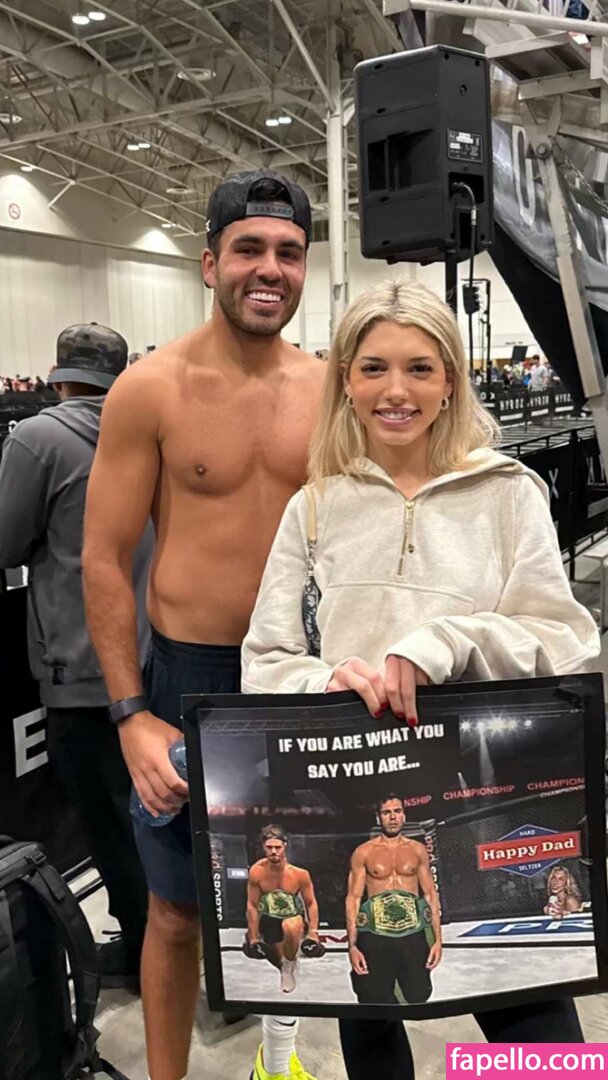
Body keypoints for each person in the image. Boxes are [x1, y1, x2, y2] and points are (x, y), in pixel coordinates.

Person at [241, 280, 600, 1079]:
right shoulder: (314, 506)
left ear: (450, 382)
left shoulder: (508, 493)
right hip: (357, 794)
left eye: (419, 368)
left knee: (539, 1034)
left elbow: (567, 645)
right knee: (374, 1029)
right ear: (345, 380)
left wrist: (449, 641)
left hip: (482, 790)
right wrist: (325, 681)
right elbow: (264, 659)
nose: (395, 391)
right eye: (373, 368)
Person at [82, 170, 325, 1080]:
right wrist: (130, 713)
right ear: (209, 263)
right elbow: (102, 559)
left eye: (289, 252)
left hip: (302, 675)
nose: (270, 269)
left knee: (300, 894)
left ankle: (280, 1059)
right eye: (249, 249)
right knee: (177, 911)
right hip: (189, 680)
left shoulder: (332, 389)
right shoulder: (149, 390)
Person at [0, 323, 152, 988]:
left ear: (59, 379)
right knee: (155, 822)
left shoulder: (38, 438)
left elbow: (5, 542)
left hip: (81, 664)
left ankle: (145, 952)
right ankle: (173, 946)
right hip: (155, 655)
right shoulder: (151, 431)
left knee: (109, 826)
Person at [346, 794, 440, 1006]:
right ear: (378, 817)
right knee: (374, 998)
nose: (393, 817)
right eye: (386, 812)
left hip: (413, 931)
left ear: (404, 815)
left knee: (419, 995)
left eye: (397, 811)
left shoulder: (417, 850)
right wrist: (352, 946)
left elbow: (430, 894)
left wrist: (437, 940)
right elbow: (353, 898)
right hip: (376, 933)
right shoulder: (363, 852)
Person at [245, 825, 322, 992]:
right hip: (268, 921)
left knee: (292, 925)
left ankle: (288, 965)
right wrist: (253, 936)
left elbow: (311, 903)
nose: (274, 851)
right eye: (269, 847)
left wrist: (313, 933)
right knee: (275, 956)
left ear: (285, 846)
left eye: (277, 847)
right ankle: (283, 962)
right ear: (263, 847)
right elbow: (252, 904)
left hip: (292, 916)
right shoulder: (257, 872)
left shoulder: (299, 874)